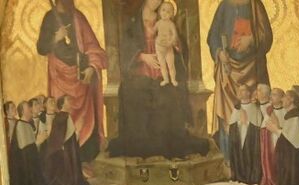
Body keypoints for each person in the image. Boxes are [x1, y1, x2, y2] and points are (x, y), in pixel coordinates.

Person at [109, 0, 207, 159]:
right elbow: (124, 48)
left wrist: (175, 44)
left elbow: (181, 47)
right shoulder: (133, 21)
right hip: (140, 70)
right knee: (131, 92)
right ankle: (140, 148)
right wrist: (142, 56)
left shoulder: (166, 18)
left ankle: (165, 148)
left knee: (169, 94)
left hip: (163, 71)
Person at [36, 0, 106, 162]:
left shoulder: (78, 17)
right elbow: (41, 47)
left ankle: (84, 161)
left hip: (81, 76)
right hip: (60, 76)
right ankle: (66, 164)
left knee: (86, 124)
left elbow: (93, 47)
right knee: (63, 117)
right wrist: (55, 38)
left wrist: (91, 67)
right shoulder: (50, 17)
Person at [208, 0, 273, 155]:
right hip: (228, 70)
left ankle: (254, 160)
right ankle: (229, 159)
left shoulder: (254, 4)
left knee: (254, 115)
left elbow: (267, 37)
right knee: (228, 115)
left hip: (252, 69)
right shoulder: (224, 5)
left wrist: (251, 39)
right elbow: (213, 36)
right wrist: (219, 52)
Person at [41, 95, 92, 185]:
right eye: (68, 100)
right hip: (65, 149)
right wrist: (77, 130)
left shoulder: (62, 116)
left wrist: (77, 131)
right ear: (63, 104)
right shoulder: (63, 116)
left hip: (67, 147)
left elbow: (69, 134)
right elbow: (61, 136)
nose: (70, 102)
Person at [7, 101, 54, 185]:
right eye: (28, 109)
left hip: (30, 162)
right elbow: (24, 149)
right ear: (23, 111)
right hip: (24, 166)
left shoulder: (27, 124)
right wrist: (38, 142)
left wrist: (38, 142)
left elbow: (31, 146)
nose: (30, 111)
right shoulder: (20, 125)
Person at [228, 84, 262, 184]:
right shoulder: (237, 108)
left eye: (242, 90)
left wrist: (246, 122)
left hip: (250, 137)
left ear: (248, 93)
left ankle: (250, 177)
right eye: (239, 90)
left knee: (249, 154)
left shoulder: (254, 108)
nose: (239, 92)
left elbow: (257, 125)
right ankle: (239, 176)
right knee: (238, 154)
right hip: (239, 135)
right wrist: (239, 122)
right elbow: (232, 125)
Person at [154, 1, 180, 87]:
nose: (165, 13)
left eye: (168, 12)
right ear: (159, 11)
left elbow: (174, 35)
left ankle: (173, 79)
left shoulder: (171, 24)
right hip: (159, 47)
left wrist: (171, 42)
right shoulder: (158, 23)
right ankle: (165, 79)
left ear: (172, 14)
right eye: (163, 10)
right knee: (162, 64)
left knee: (171, 64)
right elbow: (152, 32)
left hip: (168, 47)